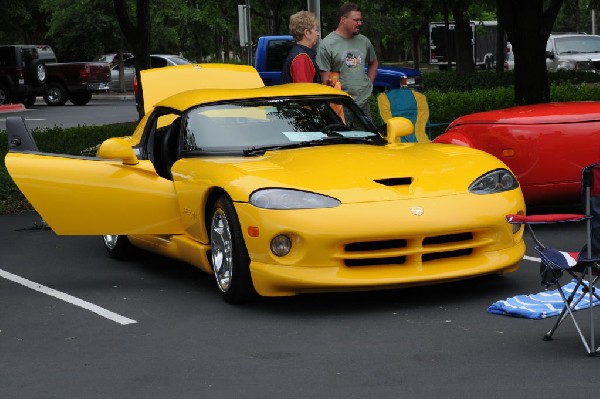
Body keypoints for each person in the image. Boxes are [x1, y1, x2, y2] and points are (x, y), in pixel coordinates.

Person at [316, 2, 379, 117]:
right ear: (343, 19)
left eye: (360, 20)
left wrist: (369, 83)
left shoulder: (364, 41)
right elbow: (325, 81)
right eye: (356, 20)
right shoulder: (327, 44)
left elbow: (373, 62)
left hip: (363, 103)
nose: (360, 23)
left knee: (367, 135)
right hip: (341, 104)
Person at [280, 11, 321, 84]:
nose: (318, 34)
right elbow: (305, 91)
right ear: (307, 33)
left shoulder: (298, 53)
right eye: (315, 30)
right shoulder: (301, 57)